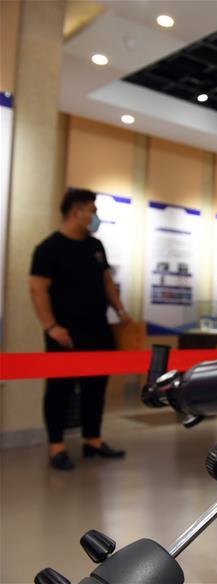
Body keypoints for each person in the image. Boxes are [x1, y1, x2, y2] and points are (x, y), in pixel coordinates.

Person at [29, 188, 131, 471]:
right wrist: (51, 327)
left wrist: (120, 310)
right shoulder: (48, 248)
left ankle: (93, 440)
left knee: (95, 388)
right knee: (59, 390)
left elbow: (106, 281)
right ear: (76, 211)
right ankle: (57, 446)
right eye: (92, 211)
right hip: (65, 333)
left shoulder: (95, 246)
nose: (95, 216)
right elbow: (37, 289)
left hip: (98, 328)